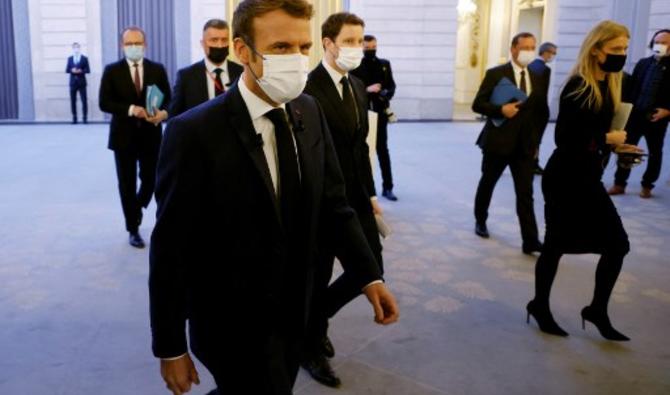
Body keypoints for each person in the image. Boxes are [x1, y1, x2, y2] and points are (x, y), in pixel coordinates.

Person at [149, 1, 399, 394]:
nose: (297, 60)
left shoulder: (309, 111)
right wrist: (170, 345)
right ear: (242, 50)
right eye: (281, 48)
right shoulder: (193, 132)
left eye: (303, 48)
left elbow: (335, 203)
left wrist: (367, 274)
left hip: (296, 309)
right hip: (231, 321)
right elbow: (171, 248)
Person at [527, 20, 637, 341]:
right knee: (555, 246)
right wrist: (606, 138)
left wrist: (617, 144)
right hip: (565, 179)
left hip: (588, 177)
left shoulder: (610, 85)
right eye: (616, 49)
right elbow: (565, 138)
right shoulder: (579, 86)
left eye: (625, 49)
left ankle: (597, 310)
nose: (622, 54)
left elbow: (593, 139)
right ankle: (540, 305)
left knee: (617, 245)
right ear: (596, 49)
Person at [301, 12, 385, 388]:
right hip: (320, 204)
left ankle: (313, 324)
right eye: (348, 41)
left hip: (356, 200)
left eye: (360, 40)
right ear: (328, 43)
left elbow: (359, 149)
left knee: (369, 271)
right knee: (317, 276)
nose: (356, 48)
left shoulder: (356, 84)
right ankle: (310, 346)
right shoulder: (305, 88)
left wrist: (370, 194)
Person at [471, 32, 545, 254]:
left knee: (526, 192)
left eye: (533, 47)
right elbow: (478, 104)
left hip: (524, 145)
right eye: (525, 47)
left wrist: (536, 142)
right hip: (498, 142)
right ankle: (480, 220)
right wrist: (500, 110)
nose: (529, 52)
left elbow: (539, 112)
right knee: (488, 183)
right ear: (513, 48)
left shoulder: (538, 74)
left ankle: (530, 239)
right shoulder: (496, 74)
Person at [99, 26, 170, 248]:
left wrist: (162, 113)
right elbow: (104, 102)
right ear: (122, 46)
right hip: (123, 138)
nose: (133, 47)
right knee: (126, 184)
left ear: (144, 45)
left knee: (151, 180)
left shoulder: (157, 69)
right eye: (129, 44)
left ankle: (137, 205)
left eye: (137, 43)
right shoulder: (112, 70)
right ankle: (133, 228)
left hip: (151, 136)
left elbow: (168, 97)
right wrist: (131, 109)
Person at [608, 28, 670, 198]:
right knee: (626, 149)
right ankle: (619, 183)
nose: (660, 45)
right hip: (635, 116)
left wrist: (668, 111)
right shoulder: (643, 63)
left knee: (655, 153)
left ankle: (647, 185)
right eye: (657, 42)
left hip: (656, 118)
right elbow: (632, 88)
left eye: (664, 42)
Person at [351, 34, 398, 201]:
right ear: (362, 48)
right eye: (367, 48)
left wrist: (386, 92)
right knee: (362, 151)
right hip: (362, 114)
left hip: (380, 112)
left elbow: (391, 85)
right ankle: (364, 189)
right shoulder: (355, 66)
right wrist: (367, 89)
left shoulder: (384, 64)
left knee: (382, 150)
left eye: (373, 48)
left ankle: (388, 187)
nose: (371, 51)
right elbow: (351, 89)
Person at [169, 19, 244, 117]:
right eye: (214, 40)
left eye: (224, 40)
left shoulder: (241, 72)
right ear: (203, 43)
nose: (219, 45)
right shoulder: (186, 76)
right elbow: (175, 115)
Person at [528, 42, 558, 175]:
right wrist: (544, 111)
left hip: (529, 109)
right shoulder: (545, 69)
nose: (553, 56)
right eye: (552, 53)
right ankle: (533, 163)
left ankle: (531, 162)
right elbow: (541, 92)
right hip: (539, 110)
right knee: (536, 139)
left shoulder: (531, 65)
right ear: (545, 52)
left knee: (530, 137)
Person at [65, 42, 90, 124]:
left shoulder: (84, 58)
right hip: (73, 83)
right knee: (73, 101)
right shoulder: (70, 59)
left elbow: (88, 70)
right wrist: (71, 70)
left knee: (84, 101)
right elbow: (67, 70)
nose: (76, 49)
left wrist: (81, 71)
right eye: (75, 48)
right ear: (72, 49)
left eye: (77, 47)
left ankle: (85, 118)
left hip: (82, 82)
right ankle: (74, 118)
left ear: (80, 48)